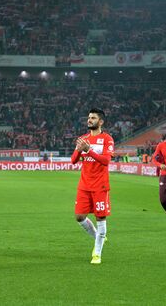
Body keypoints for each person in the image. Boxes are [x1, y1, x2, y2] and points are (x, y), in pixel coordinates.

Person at [71, 108, 114, 265]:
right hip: (84, 185)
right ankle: (99, 236)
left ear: (100, 121)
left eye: (93, 118)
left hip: (100, 186)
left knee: (100, 218)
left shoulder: (107, 139)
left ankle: (97, 253)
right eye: (88, 117)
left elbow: (106, 161)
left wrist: (88, 150)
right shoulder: (83, 139)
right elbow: (74, 160)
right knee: (79, 217)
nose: (89, 120)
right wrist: (79, 149)